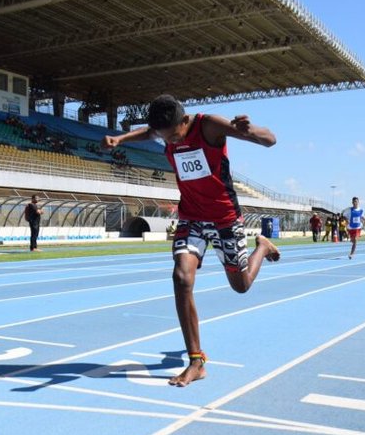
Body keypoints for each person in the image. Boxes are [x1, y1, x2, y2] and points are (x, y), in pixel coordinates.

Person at [101, 94, 280, 387]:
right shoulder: (164, 132)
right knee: (181, 278)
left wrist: (250, 131)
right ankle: (196, 361)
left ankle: (262, 245)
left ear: (184, 121)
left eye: (173, 135)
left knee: (242, 285)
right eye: (164, 138)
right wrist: (121, 139)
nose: (169, 142)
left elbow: (270, 139)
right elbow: (149, 132)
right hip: (191, 218)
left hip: (225, 218)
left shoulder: (208, 126)